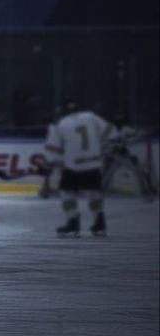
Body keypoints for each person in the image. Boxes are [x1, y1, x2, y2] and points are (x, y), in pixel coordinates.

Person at [44, 101, 115, 237]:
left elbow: (53, 149)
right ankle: (99, 222)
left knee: (67, 192)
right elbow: (110, 133)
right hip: (94, 162)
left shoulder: (62, 123)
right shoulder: (91, 117)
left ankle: (72, 222)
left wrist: (48, 163)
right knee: (94, 193)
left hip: (74, 166)